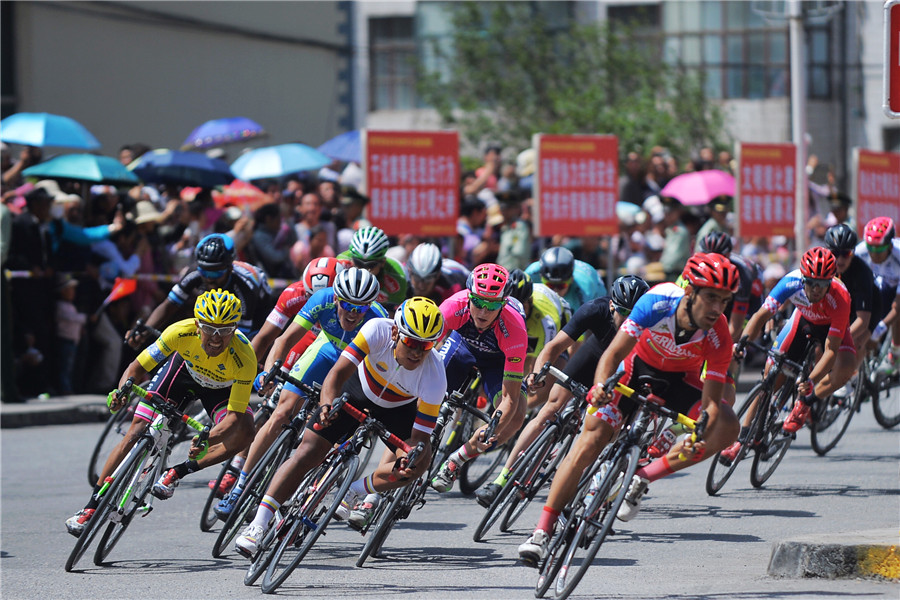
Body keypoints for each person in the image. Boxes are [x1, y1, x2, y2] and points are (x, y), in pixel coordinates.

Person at [518, 253, 741, 566]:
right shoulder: (658, 301)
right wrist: (599, 388)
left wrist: (700, 431)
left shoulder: (720, 336)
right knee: (588, 444)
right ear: (690, 291)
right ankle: (541, 532)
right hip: (635, 369)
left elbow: (712, 404)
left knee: (729, 426)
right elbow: (612, 354)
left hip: (680, 382)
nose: (718, 309)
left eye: (725, 301)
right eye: (711, 298)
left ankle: (643, 477)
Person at [234, 297, 446, 555]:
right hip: (357, 389)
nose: (417, 353)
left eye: (426, 346)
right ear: (394, 333)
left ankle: (356, 489)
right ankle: (258, 524)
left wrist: (409, 456)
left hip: (398, 409)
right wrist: (326, 405)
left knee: (419, 464)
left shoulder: (435, 375)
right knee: (307, 452)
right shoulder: (377, 330)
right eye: (411, 342)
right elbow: (336, 374)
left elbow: (420, 436)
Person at [65, 289, 257, 536]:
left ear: (235, 328)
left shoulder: (244, 357)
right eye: (210, 328)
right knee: (135, 431)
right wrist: (122, 391)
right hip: (183, 374)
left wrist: (207, 439)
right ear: (198, 325)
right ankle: (91, 507)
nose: (217, 338)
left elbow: (233, 419)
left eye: (225, 330)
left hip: (221, 389)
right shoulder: (180, 331)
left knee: (244, 433)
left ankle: (178, 471)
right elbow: (136, 368)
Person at [214, 268, 388, 519]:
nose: (352, 313)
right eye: (348, 304)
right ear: (337, 298)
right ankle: (240, 486)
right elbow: (283, 340)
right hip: (326, 351)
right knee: (281, 412)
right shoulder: (322, 300)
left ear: (369, 306)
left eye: (360, 308)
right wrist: (270, 371)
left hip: (355, 368)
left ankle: (305, 498)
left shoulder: (377, 320)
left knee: (331, 438)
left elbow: (379, 372)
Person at [475, 275, 647, 507]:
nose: (628, 320)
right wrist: (538, 373)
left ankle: (585, 480)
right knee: (549, 410)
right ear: (611, 305)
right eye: (623, 312)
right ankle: (501, 479)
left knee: (608, 432)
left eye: (633, 315)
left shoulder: (648, 326)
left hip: (624, 368)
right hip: (594, 355)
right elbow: (554, 347)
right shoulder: (595, 309)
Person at [207, 257, 345, 498]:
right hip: (301, 340)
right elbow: (266, 337)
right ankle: (238, 468)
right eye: (310, 295)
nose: (315, 301)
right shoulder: (293, 293)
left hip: (334, 349)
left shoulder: (348, 304)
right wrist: (252, 372)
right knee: (274, 405)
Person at [719, 247, 856, 463]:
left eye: (822, 284)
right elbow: (760, 316)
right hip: (802, 321)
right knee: (769, 379)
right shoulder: (790, 282)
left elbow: (831, 350)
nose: (816, 289)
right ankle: (740, 441)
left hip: (829, 329)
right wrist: (742, 343)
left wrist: (811, 381)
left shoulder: (841, 297)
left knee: (847, 366)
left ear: (831, 281)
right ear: (803, 277)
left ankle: (805, 403)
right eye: (811, 282)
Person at [430, 263, 529, 494]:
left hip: (497, 361)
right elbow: (425, 350)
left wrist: (492, 426)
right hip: (462, 346)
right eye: (478, 302)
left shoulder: (514, 328)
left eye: (492, 305)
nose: (483, 311)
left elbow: (509, 399)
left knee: (516, 417)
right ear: (469, 297)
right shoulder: (453, 306)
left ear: (503, 303)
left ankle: (457, 459)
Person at [125, 233, 273, 347]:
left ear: (229, 268)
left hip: (259, 311)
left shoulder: (244, 287)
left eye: (215, 273)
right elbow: (169, 305)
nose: (209, 278)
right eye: (205, 272)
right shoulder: (194, 273)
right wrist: (144, 331)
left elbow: (242, 335)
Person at [823, 224, 877, 397]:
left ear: (853, 252)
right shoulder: (822, 265)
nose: (839, 260)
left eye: (846, 254)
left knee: (856, 341)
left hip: (868, 309)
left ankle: (850, 378)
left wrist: (837, 338)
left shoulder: (862, 273)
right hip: (840, 307)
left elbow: (862, 321)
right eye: (835, 253)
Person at [855, 217, 900, 376]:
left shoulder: (898, 256)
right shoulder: (860, 252)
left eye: (879, 250)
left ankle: (895, 352)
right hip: (881, 285)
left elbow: (898, 304)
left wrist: (881, 327)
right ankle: (862, 376)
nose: (873, 254)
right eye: (870, 248)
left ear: (890, 244)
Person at [337, 226, 408, 309]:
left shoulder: (397, 276)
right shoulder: (340, 263)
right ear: (351, 259)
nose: (363, 270)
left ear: (383, 262)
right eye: (358, 263)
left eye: (370, 265)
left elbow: (392, 314)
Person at [525, 246, 606, 313]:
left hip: (595, 290)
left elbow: (583, 326)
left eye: (561, 286)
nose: (555, 291)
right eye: (550, 285)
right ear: (541, 278)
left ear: (571, 280)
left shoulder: (584, 288)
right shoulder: (531, 274)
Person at [405, 242, 470, 304]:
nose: (421, 285)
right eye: (417, 277)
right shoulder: (401, 277)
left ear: (438, 275)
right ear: (409, 271)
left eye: (428, 279)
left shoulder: (452, 286)